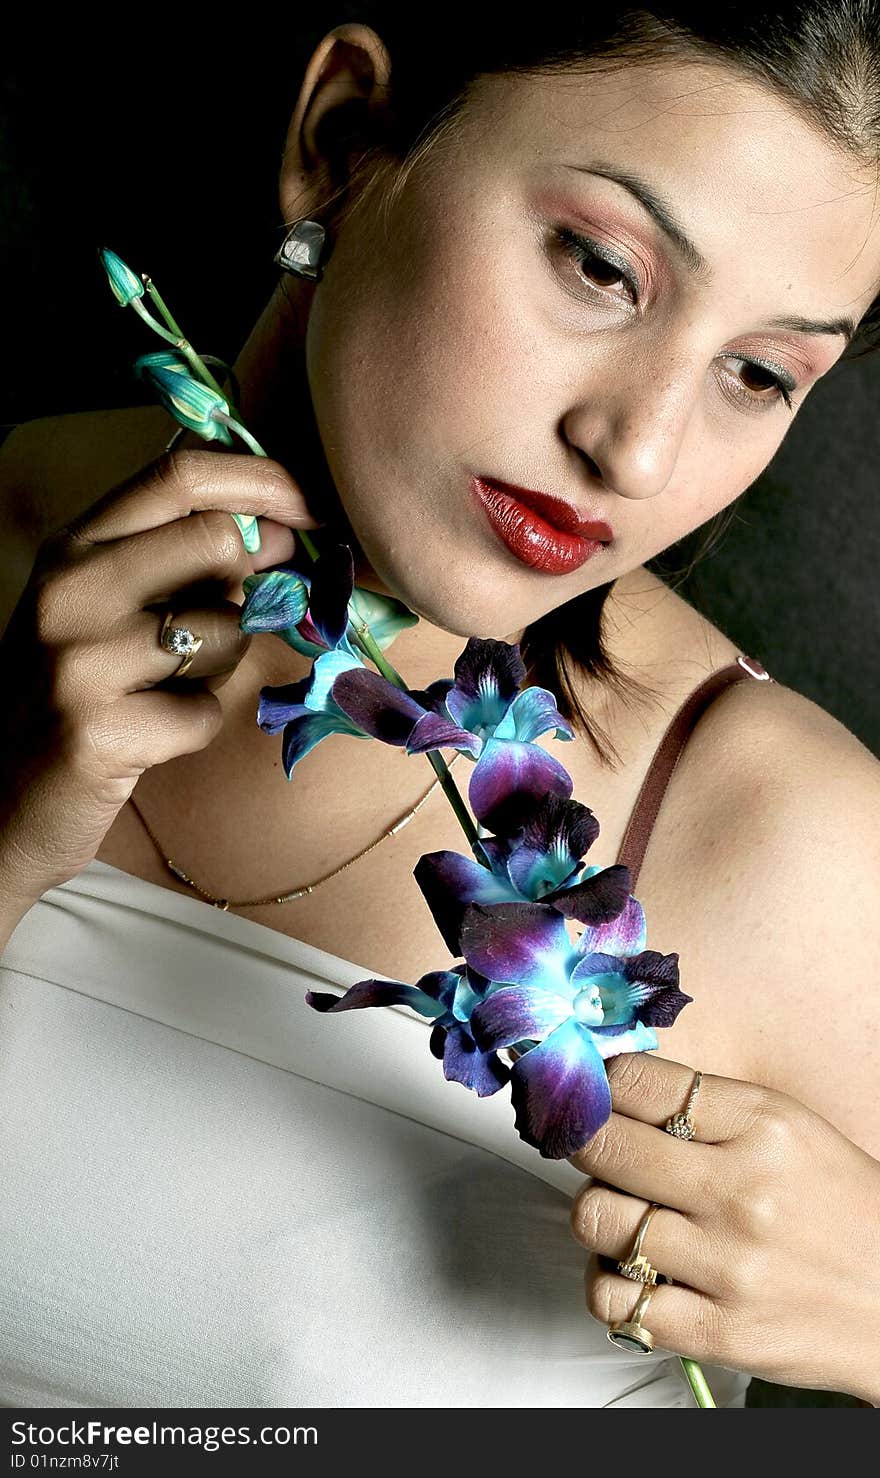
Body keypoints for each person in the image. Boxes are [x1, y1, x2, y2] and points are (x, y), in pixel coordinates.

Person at [1, 4, 879, 1409]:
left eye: (762, 373)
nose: (637, 449)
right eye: (601, 267)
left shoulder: (787, 846)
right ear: (341, 140)